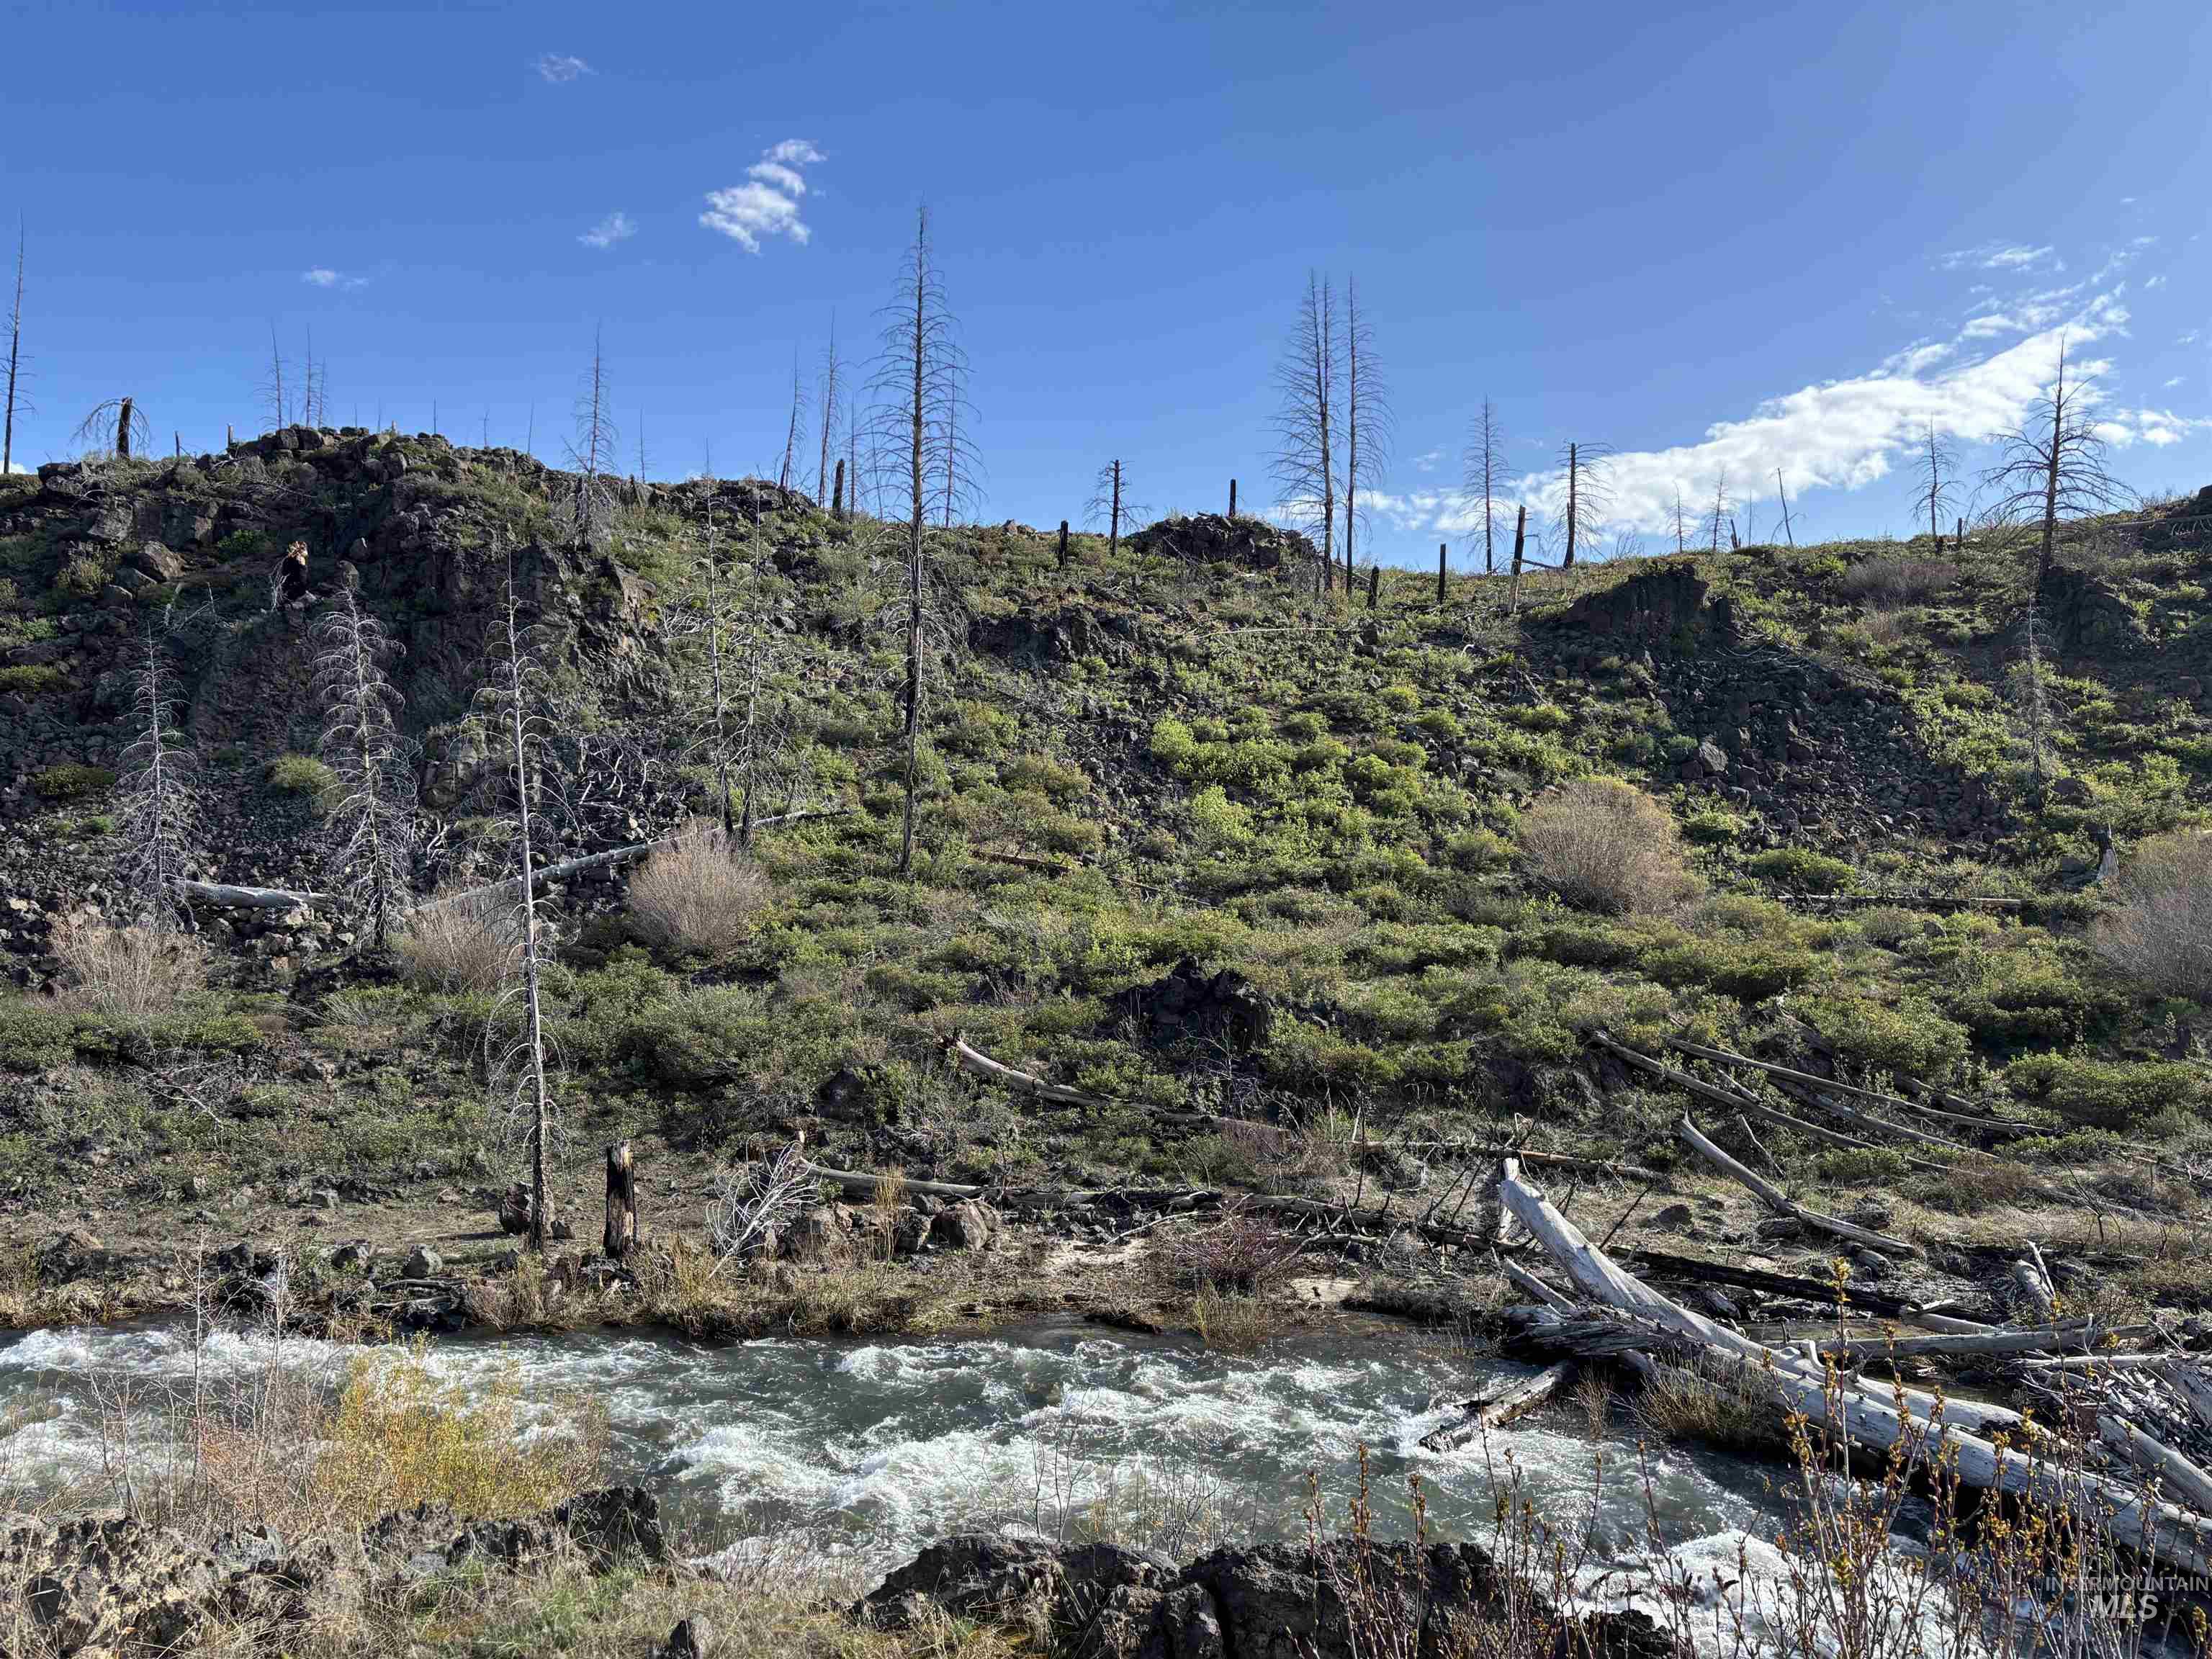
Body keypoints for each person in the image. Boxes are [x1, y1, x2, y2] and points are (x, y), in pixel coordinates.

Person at [279, 540, 311, 607]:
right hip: (293, 582)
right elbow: (285, 572)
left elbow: (305, 554)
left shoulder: (301, 556)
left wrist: (298, 550)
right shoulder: (289, 559)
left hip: (299, 583)